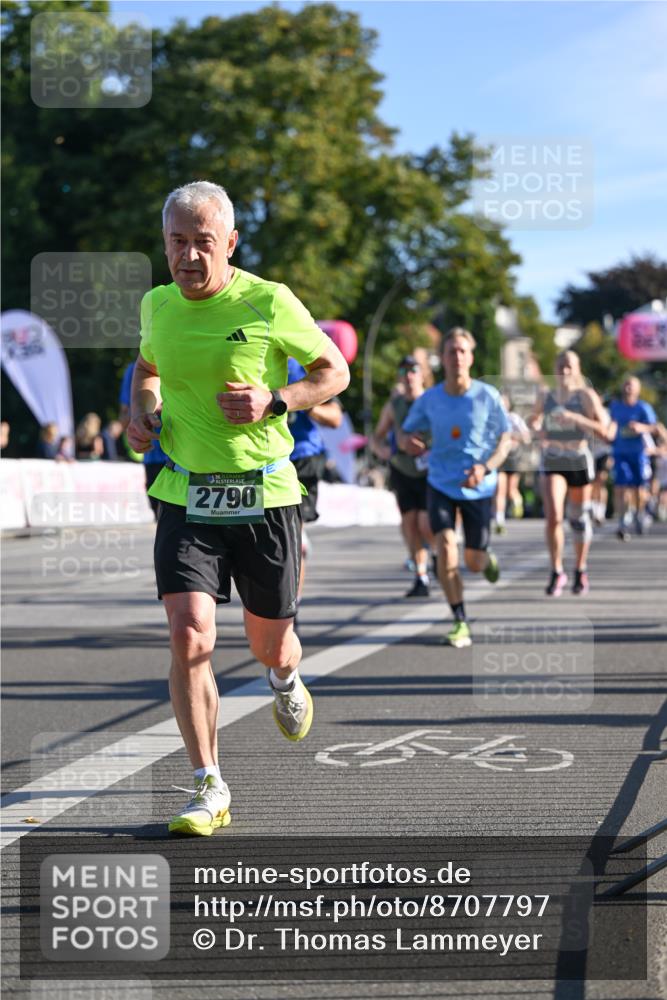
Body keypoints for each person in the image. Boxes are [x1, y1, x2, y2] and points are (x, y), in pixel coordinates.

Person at [127, 181, 349, 836]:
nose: (189, 256)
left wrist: (276, 401)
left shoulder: (268, 300)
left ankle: (285, 676)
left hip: (264, 493)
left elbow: (332, 372)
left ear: (230, 242)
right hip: (186, 492)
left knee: (269, 644)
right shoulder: (156, 304)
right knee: (188, 632)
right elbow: (146, 369)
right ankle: (208, 782)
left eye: (203, 242)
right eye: (177, 242)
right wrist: (143, 414)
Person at [398, 328, 512, 648]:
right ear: (443, 358)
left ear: (471, 357)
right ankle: (459, 618)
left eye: (462, 351)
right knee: (445, 546)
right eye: (451, 351)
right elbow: (405, 435)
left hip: (479, 486)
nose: (457, 357)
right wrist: (408, 443)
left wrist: (486, 467)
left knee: (473, 562)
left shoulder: (487, 396)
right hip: (440, 483)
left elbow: (505, 439)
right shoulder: (430, 399)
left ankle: (485, 558)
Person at [530, 351, 609, 596]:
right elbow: (533, 421)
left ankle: (580, 568)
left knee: (578, 519)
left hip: (578, 459)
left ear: (577, 369)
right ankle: (556, 571)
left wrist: (575, 418)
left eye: (569, 367)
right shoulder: (546, 396)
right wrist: (537, 428)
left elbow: (604, 430)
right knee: (554, 515)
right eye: (560, 366)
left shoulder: (586, 396)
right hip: (553, 457)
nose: (564, 371)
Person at [286, 356, 343, 625]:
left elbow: (335, 417)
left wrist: (305, 402)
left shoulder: (304, 363)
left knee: (291, 536)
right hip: (259, 458)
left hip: (302, 458)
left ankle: (291, 608)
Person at [372, 356, 434, 597]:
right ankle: (421, 576)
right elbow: (377, 437)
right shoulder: (394, 405)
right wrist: (384, 451)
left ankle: (437, 554)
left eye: (413, 370)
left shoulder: (433, 401)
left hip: (429, 471)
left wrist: (429, 447)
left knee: (425, 524)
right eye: (403, 371)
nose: (408, 376)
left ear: (422, 374)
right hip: (402, 469)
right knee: (409, 523)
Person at [609, 376, 658, 540]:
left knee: (639, 488)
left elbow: (654, 427)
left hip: (638, 454)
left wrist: (641, 427)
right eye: (626, 384)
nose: (628, 388)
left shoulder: (643, 407)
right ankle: (622, 522)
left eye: (631, 385)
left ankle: (639, 513)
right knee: (621, 487)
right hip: (620, 452)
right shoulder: (616, 407)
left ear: (638, 389)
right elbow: (610, 426)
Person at [119, 360, 167, 517]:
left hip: (179, 457)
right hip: (154, 456)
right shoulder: (134, 369)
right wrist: (143, 412)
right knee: (160, 515)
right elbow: (125, 415)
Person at [493, 394, 530, 534]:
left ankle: (517, 502)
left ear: (508, 405)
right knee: (499, 489)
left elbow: (526, 438)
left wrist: (511, 437)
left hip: (512, 457)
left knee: (510, 490)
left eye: (503, 403)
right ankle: (499, 521)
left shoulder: (513, 418)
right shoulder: (492, 419)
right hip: (498, 457)